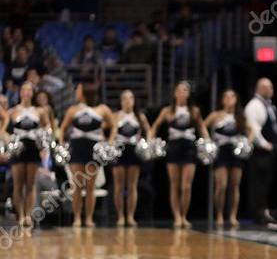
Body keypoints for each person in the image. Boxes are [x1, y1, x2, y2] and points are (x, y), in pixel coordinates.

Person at [150, 81, 208, 228]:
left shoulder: (194, 111)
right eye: (179, 90)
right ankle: (176, 216)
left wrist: (208, 143)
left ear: (188, 94)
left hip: (189, 147)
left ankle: (184, 215)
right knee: (175, 185)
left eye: (185, 90)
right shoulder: (168, 111)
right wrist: (151, 140)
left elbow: (202, 128)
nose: (182, 93)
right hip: (174, 148)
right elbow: (155, 126)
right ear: (175, 93)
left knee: (186, 186)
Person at [58, 82, 115, 227]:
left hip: (93, 149)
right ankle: (77, 218)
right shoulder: (73, 110)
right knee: (77, 186)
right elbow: (63, 128)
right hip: (77, 147)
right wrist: (62, 145)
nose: (76, 91)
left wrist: (109, 142)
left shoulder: (102, 109)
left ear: (85, 92)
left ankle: (89, 218)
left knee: (90, 187)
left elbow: (113, 125)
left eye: (78, 89)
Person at [0, 81, 54, 227]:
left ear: (33, 92)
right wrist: (8, 139)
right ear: (20, 92)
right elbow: (2, 128)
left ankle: (28, 215)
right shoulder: (12, 111)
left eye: (29, 90)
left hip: (33, 148)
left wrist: (43, 139)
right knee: (18, 184)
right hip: (18, 148)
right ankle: (20, 215)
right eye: (24, 90)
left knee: (30, 184)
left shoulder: (39, 111)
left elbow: (48, 126)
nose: (26, 92)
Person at [206, 89, 252, 228]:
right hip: (221, 151)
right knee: (221, 185)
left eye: (232, 96)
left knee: (234, 185)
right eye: (226, 96)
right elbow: (202, 125)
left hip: (235, 152)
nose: (229, 99)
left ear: (236, 99)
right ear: (222, 100)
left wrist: (247, 142)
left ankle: (232, 215)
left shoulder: (240, 116)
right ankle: (219, 214)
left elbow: (252, 130)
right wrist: (208, 141)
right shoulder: (216, 115)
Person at [110, 89, 153, 227]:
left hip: (134, 151)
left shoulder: (139, 117)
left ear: (134, 101)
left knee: (132, 185)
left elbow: (149, 130)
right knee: (119, 185)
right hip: (120, 150)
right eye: (125, 98)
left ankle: (130, 216)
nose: (128, 101)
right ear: (121, 101)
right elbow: (112, 132)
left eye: (131, 98)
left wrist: (147, 142)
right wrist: (110, 143)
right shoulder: (116, 116)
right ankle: (120, 216)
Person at [244, 77, 277, 223]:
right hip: (260, 151)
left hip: (270, 151)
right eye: (265, 87)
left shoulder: (270, 106)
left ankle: (264, 210)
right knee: (258, 183)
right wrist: (264, 144)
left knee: (266, 183)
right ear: (258, 89)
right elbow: (253, 129)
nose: (269, 90)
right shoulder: (254, 106)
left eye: (270, 87)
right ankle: (258, 213)